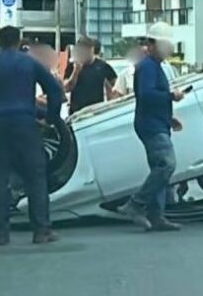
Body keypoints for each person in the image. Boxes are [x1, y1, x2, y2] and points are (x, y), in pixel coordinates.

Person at [0, 26, 64, 246]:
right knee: (35, 177)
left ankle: (1, 233)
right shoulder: (30, 63)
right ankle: (41, 230)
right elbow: (55, 91)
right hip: (26, 124)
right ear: (18, 41)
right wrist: (51, 118)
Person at [119, 22, 185, 232]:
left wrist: (168, 116)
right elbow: (146, 95)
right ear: (153, 44)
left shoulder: (154, 66)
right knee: (166, 165)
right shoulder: (148, 66)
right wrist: (171, 96)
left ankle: (156, 216)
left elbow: (148, 97)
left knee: (159, 167)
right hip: (151, 125)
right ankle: (136, 204)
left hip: (155, 121)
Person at [63, 36, 117, 114]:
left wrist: (110, 105)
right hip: (76, 112)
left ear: (92, 49)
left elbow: (115, 87)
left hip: (96, 111)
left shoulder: (102, 66)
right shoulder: (72, 66)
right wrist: (76, 71)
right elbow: (67, 88)